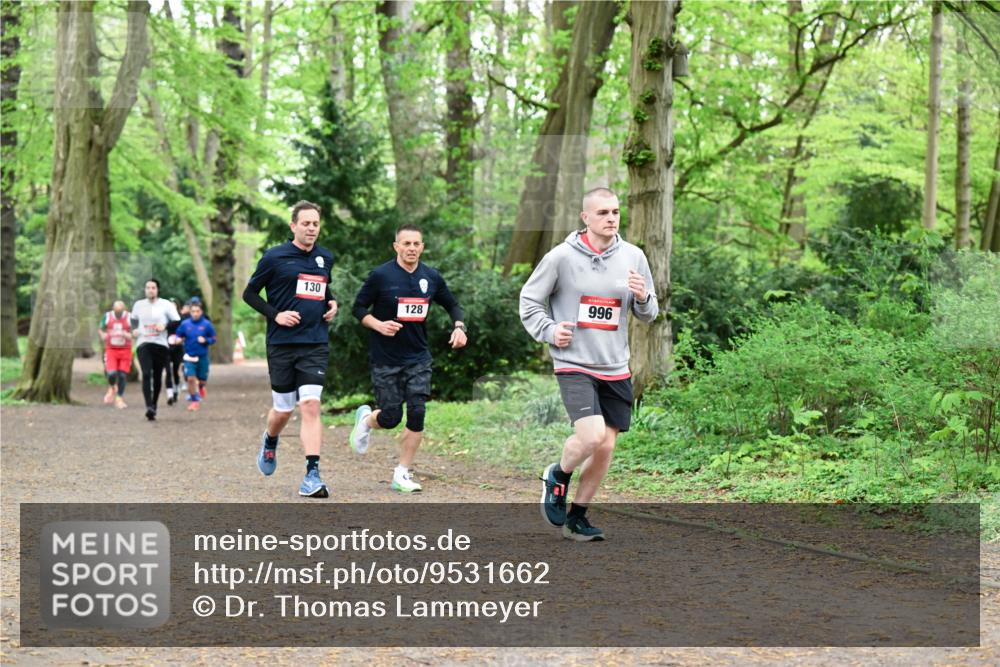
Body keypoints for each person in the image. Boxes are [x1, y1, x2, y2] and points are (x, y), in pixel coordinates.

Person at [519, 187, 658, 541]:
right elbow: (529, 301)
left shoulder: (633, 256)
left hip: (615, 365)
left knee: (607, 445)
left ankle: (577, 517)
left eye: (615, 212)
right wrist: (550, 330)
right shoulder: (561, 258)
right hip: (574, 362)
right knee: (593, 435)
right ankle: (558, 474)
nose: (611, 218)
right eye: (603, 213)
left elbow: (649, 313)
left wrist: (642, 297)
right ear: (586, 217)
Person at [349, 224, 467, 493]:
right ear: (396, 246)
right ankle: (367, 420)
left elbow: (452, 304)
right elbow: (358, 308)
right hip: (385, 358)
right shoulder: (381, 275)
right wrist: (378, 325)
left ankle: (402, 472)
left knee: (417, 411)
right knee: (390, 417)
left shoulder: (431, 277)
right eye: (406, 244)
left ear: (422, 247)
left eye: (416, 244)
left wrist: (459, 326)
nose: (412, 248)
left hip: (418, 357)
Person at [243, 200, 338, 498]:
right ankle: (270, 440)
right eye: (306, 223)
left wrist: (332, 303)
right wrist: (276, 315)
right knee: (283, 410)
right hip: (282, 344)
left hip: (315, 342)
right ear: (293, 226)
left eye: (315, 224)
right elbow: (249, 294)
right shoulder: (274, 257)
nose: (311, 228)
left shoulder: (325, 258)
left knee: (310, 404)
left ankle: (312, 474)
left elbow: (322, 288)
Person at [131, 279, 181, 421]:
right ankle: (149, 407)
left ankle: (154, 404)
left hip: (160, 344)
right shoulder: (138, 305)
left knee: (158, 376)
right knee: (146, 373)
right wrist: (134, 330)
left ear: (157, 290)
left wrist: (164, 326)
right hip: (143, 343)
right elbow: (133, 321)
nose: (150, 290)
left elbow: (177, 322)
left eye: (153, 287)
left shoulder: (165, 305)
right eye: (148, 287)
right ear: (145, 290)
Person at [175, 301, 217, 411]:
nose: (195, 313)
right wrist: (178, 339)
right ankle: (194, 401)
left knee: (202, 380)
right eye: (193, 311)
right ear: (190, 312)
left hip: (202, 357)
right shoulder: (185, 324)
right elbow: (178, 335)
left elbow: (214, 339)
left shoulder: (207, 324)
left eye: (197, 311)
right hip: (189, 356)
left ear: (201, 312)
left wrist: (206, 340)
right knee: (190, 379)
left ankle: (202, 386)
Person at [99, 300, 132, 409]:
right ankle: (112, 387)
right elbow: (100, 328)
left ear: (124, 309)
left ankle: (119, 398)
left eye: (120, 312)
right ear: (113, 309)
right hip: (111, 349)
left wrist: (128, 335)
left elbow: (136, 331)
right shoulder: (107, 316)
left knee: (122, 375)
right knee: (112, 374)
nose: (118, 314)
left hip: (125, 350)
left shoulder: (129, 317)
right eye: (116, 311)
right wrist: (103, 335)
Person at [165, 299, 187, 406]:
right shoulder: (164, 318)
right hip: (166, 347)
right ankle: (169, 393)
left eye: (174, 306)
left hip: (178, 347)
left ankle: (176, 388)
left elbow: (185, 332)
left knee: (175, 370)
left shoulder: (181, 319)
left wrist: (181, 339)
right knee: (168, 371)